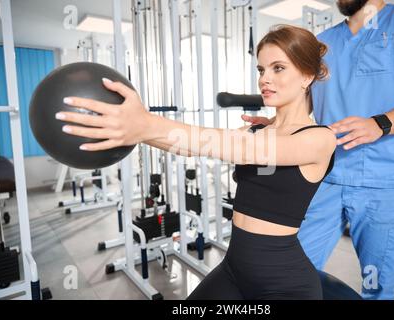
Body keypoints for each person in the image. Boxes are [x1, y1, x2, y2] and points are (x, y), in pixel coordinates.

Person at [55, 25, 336, 299]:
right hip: (234, 270)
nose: (264, 79)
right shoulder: (257, 129)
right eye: (261, 70)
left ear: (307, 76)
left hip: (285, 284)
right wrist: (131, 132)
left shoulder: (320, 139)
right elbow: (191, 147)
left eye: (278, 68)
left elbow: (241, 149)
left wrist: (146, 124)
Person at [242, 0, 394, 300]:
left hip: (385, 181)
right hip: (324, 176)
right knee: (287, 272)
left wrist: (381, 124)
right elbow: (308, 100)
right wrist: (276, 123)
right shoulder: (322, 43)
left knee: (376, 288)